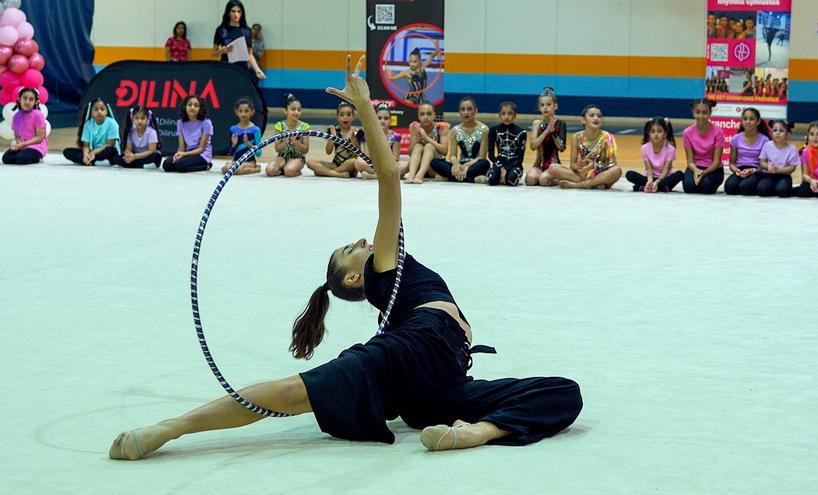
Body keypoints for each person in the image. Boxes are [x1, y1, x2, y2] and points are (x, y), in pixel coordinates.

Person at [108, 55, 582, 460]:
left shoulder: (383, 278)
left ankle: (478, 431)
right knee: (294, 394)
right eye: (351, 248)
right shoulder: (383, 272)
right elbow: (390, 181)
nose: (361, 240)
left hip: (438, 381)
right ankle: (170, 429)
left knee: (564, 392)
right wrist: (366, 110)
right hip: (418, 346)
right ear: (355, 279)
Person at [556, 105, 622, 190]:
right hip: (583, 174)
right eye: (592, 115)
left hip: (601, 173)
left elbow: (613, 165)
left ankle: (577, 185)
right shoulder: (576, 137)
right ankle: (595, 184)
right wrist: (581, 167)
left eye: (599, 116)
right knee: (553, 168)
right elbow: (572, 165)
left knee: (617, 171)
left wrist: (594, 167)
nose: (596, 118)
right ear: (583, 120)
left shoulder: (607, 137)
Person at [429, 96, 490, 183]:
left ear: (476, 111)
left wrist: (468, 165)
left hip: (475, 165)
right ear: (459, 112)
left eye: (469, 109)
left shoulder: (484, 129)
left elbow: (482, 157)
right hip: (460, 165)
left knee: (485, 164)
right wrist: (456, 164)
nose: (466, 112)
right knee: (434, 162)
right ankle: (473, 179)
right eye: (463, 109)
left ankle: (449, 178)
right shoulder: (455, 130)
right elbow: (452, 155)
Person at [306, 102, 365, 178]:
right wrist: (332, 138)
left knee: (353, 161)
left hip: (350, 166)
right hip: (335, 164)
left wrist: (352, 137)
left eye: (348, 114)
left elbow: (358, 154)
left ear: (353, 117)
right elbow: (328, 152)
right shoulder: (334, 130)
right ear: (337, 117)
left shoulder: (357, 132)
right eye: (342, 115)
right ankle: (336, 174)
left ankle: (325, 172)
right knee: (310, 162)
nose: (345, 117)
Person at [625, 116, 683, 193]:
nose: (656, 134)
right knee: (630, 174)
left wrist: (657, 182)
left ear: (665, 134)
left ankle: (643, 187)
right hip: (649, 177)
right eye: (653, 131)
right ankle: (660, 188)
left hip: (664, 178)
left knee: (680, 174)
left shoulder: (670, 149)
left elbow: (666, 170)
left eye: (659, 131)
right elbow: (649, 169)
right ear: (649, 134)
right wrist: (650, 181)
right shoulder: (644, 148)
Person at [212, 1, 266, 82]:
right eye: (233, 11)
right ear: (228, 12)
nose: (236, 14)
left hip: (242, 68)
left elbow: (249, 54)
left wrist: (257, 70)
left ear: (242, 13)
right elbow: (214, 53)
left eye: (239, 11)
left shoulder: (246, 30)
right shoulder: (221, 30)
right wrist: (222, 50)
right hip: (226, 67)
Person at [724, 107, 771, 196]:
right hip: (740, 170)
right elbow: (732, 163)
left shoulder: (765, 140)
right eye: (745, 119)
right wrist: (737, 170)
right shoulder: (735, 139)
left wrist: (753, 170)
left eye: (751, 119)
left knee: (745, 187)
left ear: (758, 121)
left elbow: (765, 165)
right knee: (730, 187)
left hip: (756, 171)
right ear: (741, 121)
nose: (748, 122)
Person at [682, 99, 724, 194]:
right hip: (695, 167)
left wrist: (704, 173)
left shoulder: (718, 132)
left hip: (713, 168)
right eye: (697, 112)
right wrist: (696, 171)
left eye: (705, 113)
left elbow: (716, 162)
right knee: (689, 187)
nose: (701, 116)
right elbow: (690, 161)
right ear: (693, 113)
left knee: (706, 187)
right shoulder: (687, 133)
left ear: (710, 113)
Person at [526, 87, 566, 186]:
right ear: (539, 108)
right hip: (539, 164)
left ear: (555, 106)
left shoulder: (560, 124)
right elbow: (533, 146)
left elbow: (561, 148)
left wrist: (553, 132)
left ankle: (562, 177)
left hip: (553, 165)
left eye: (549, 105)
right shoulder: (536, 124)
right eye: (542, 105)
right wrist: (547, 131)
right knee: (531, 179)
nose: (545, 107)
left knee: (544, 180)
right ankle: (543, 175)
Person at [62, 97, 120, 166]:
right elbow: (86, 145)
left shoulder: (112, 123)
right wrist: (85, 155)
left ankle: (92, 159)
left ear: (107, 111)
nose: (99, 112)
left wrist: (94, 152)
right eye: (96, 110)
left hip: (105, 150)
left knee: (109, 150)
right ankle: (89, 160)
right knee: (67, 152)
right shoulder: (88, 124)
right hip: (92, 151)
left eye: (102, 109)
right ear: (91, 112)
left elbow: (110, 144)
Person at [356, 103, 408, 179]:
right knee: (358, 162)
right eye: (379, 118)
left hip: (388, 165)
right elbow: (367, 155)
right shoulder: (368, 135)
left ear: (390, 120)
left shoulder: (395, 136)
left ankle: (374, 176)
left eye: (386, 118)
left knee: (406, 165)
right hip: (374, 164)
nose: (382, 121)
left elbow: (396, 158)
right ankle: (387, 176)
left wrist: (385, 162)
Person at [162, 95, 213, 173]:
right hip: (187, 153)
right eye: (189, 105)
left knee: (181, 165)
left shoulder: (206, 123)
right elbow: (181, 147)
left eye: (196, 106)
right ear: (184, 107)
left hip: (202, 155)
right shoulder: (180, 122)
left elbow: (201, 149)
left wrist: (184, 154)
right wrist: (178, 154)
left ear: (200, 108)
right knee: (167, 164)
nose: (192, 107)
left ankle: (206, 165)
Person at [267, 93, 310, 177]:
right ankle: (283, 169)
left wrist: (295, 142)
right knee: (270, 170)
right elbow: (277, 149)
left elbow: (305, 150)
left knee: (289, 171)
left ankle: (293, 170)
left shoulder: (305, 126)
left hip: (298, 157)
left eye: (299, 109)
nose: (296, 112)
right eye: (293, 109)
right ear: (285, 111)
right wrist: (285, 143)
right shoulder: (279, 125)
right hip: (282, 156)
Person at [484, 101, 527, 186]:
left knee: (510, 181)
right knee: (491, 180)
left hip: (515, 165)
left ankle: (511, 175)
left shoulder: (521, 132)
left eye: (510, 114)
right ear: (499, 115)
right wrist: (501, 168)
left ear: (515, 115)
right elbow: (491, 155)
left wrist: (507, 170)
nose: (506, 116)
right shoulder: (493, 130)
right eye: (503, 113)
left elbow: (520, 159)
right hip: (499, 163)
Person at [405, 103, 448, 184]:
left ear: (434, 115)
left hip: (434, 167)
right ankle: (411, 175)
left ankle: (419, 176)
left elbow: (445, 151)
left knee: (429, 146)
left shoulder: (441, 128)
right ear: (418, 116)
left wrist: (426, 138)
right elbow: (411, 153)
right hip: (419, 165)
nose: (425, 117)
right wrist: (416, 137)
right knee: (418, 146)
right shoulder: (416, 129)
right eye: (422, 114)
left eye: (428, 114)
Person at [2, 87, 46, 165]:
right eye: (25, 98)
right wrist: (19, 144)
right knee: (6, 158)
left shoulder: (37, 114)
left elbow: (40, 137)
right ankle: (24, 154)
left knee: (20, 158)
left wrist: (23, 144)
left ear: (35, 102)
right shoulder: (16, 116)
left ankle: (37, 157)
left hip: (36, 146)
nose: (27, 101)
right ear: (19, 99)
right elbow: (17, 136)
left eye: (31, 99)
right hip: (23, 146)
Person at [756, 120, 799, 197]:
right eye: (775, 130)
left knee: (782, 190)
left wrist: (778, 170)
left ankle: (780, 188)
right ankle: (774, 188)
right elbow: (762, 162)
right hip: (768, 175)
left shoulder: (792, 148)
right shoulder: (767, 145)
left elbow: (792, 168)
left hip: (784, 175)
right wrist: (768, 166)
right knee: (762, 189)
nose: (777, 133)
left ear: (787, 134)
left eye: (781, 131)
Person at [221, 97, 262, 175]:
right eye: (241, 111)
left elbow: (259, 153)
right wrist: (233, 145)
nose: (243, 114)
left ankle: (256, 169)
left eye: (246, 111)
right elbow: (230, 152)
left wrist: (248, 144)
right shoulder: (233, 129)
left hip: (249, 161)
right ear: (236, 112)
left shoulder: (255, 130)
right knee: (225, 169)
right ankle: (248, 168)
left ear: (252, 112)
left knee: (237, 169)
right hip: (236, 160)